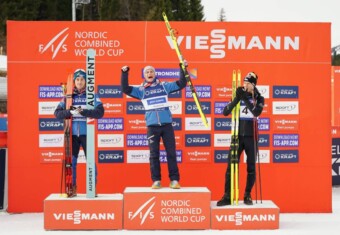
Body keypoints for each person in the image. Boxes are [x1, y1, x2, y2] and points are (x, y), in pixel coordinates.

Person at [121, 63, 187, 189]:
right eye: (147, 72)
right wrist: (124, 73)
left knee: (171, 153)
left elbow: (182, 83)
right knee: (154, 154)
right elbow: (125, 89)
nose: (149, 73)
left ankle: (174, 180)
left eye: (151, 71)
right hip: (152, 126)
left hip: (166, 125)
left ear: (155, 74)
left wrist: (182, 68)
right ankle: (156, 180)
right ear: (144, 75)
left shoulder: (164, 86)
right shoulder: (141, 90)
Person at [217, 72, 264, 206]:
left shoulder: (259, 98)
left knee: (251, 168)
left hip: (251, 137)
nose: (245, 85)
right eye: (244, 82)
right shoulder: (238, 94)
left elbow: (256, 112)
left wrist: (245, 99)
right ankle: (227, 195)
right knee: (230, 166)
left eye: (248, 83)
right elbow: (225, 112)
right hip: (237, 136)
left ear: (253, 84)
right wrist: (237, 99)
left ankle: (247, 194)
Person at [54, 69, 104, 196]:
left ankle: (92, 188)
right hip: (71, 134)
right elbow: (57, 114)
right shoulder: (68, 96)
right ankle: (72, 188)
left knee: (91, 161)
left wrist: (82, 111)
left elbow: (100, 112)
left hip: (87, 133)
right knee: (72, 162)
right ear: (74, 82)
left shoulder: (92, 95)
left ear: (86, 81)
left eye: (82, 79)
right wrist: (71, 111)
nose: (80, 82)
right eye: (78, 79)